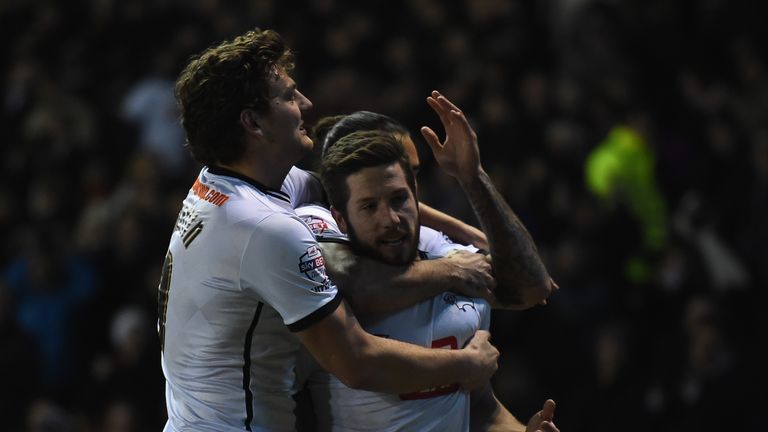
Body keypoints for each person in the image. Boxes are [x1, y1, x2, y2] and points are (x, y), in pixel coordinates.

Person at [160, 28, 500, 431]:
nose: (306, 103)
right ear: (252, 122)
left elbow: (344, 191)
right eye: (288, 96)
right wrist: (467, 364)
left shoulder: (223, 184)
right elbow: (357, 362)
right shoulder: (266, 229)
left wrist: (470, 234)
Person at [296, 92, 558, 431]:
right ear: (341, 216)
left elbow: (481, 408)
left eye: (401, 194)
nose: (389, 218)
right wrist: (450, 275)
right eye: (369, 206)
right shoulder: (309, 229)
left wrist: (472, 178)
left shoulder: (435, 246)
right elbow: (356, 284)